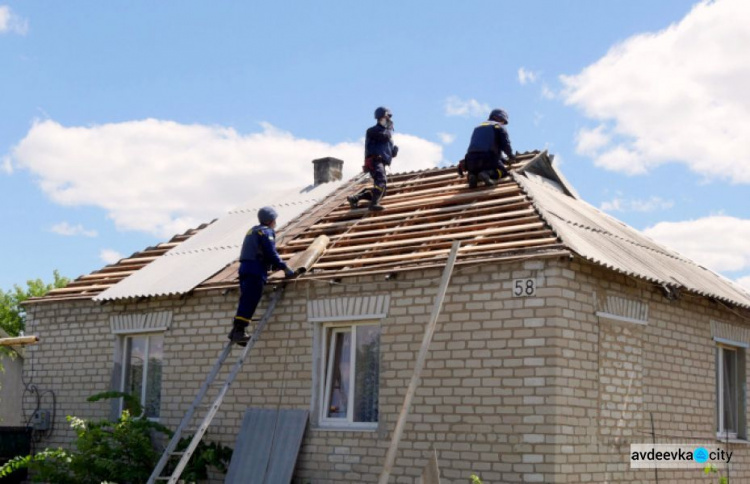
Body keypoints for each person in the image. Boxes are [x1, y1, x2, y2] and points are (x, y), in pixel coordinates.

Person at [228, 206, 295, 346]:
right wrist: (284, 267)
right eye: (275, 219)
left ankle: (236, 331)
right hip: (255, 269)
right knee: (251, 299)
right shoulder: (266, 232)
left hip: (244, 268)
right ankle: (239, 332)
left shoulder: (252, 231)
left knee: (246, 299)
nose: (276, 222)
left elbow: (258, 251)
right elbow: (270, 252)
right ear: (271, 220)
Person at [347, 106, 399, 211]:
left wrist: (393, 152)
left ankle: (356, 198)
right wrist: (389, 128)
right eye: (387, 117)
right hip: (375, 161)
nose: (389, 120)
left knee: (382, 191)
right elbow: (384, 136)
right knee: (381, 180)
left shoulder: (387, 136)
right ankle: (374, 204)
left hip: (381, 163)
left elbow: (388, 151)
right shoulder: (373, 131)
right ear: (381, 117)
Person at [461, 108, 516, 188]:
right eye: (503, 121)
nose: (503, 123)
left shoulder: (478, 128)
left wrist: (504, 160)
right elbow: (505, 144)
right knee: (503, 171)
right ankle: (487, 174)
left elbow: (486, 146)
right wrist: (511, 156)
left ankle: (472, 176)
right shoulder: (498, 126)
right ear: (499, 118)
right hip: (487, 159)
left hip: (470, 161)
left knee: (477, 171)